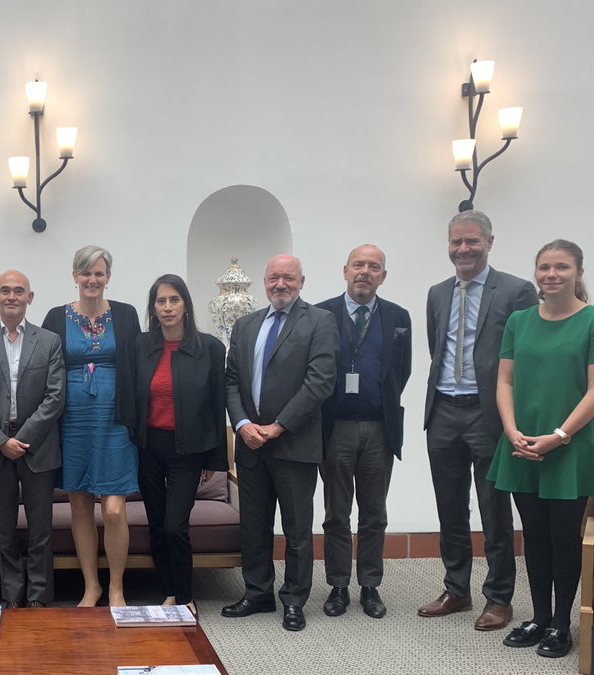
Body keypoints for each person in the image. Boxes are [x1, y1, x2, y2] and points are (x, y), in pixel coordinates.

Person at [420, 210, 537, 631]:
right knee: (450, 508)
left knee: (494, 510)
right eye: (456, 242)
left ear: (490, 242)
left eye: (472, 241)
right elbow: (439, 349)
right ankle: (457, 590)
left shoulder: (517, 291)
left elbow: (526, 358)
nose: (463, 249)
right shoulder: (436, 293)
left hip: (489, 415)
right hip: (444, 412)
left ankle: (499, 597)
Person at [222, 254, 338, 632]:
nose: (280, 285)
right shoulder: (245, 324)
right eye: (273, 278)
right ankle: (257, 594)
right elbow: (231, 381)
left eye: (288, 278)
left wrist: (278, 426)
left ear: (301, 282)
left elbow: (319, 382)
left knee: (297, 529)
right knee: (253, 526)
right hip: (250, 444)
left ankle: (294, 599)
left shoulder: (320, 321)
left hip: (295, 444)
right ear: (264, 281)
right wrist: (241, 424)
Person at [490, 239, 594, 658]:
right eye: (544, 267)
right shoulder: (519, 320)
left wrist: (559, 435)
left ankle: (561, 625)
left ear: (578, 273)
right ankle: (538, 617)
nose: (552, 274)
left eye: (562, 267)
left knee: (564, 536)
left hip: (569, 446)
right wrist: (513, 431)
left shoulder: (590, 321)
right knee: (533, 535)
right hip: (521, 444)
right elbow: (505, 382)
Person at [42, 245, 142, 608]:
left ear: (108, 278)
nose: (92, 280)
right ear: (74, 277)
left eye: (99, 273)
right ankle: (91, 587)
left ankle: (116, 586)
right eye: (85, 273)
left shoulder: (127, 315)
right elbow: (37, 354)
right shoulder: (56, 316)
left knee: (114, 508)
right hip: (71, 420)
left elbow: (143, 359)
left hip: (115, 419)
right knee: (80, 505)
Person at [315, 245, 411, 620]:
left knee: (374, 513)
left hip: (378, 428)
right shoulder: (321, 313)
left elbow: (400, 373)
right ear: (345, 270)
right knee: (336, 513)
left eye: (374, 267)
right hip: (334, 427)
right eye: (359, 265)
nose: (365, 272)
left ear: (383, 276)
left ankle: (370, 585)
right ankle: (338, 585)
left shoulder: (398, 316)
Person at [0, 270, 66, 609]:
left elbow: (55, 397)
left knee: (41, 531)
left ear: (30, 297)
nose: (11, 296)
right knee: (4, 532)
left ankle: (38, 599)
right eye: (5, 291)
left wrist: (21, 439)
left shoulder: (49, 341)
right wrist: (0, 441)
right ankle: (12, 598)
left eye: (18, 291)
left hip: (37, 447)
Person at [126, 274, 227, 613]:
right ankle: (169, 591)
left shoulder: (210, 348)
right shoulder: (140, 345)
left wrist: (215, 462)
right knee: (156, 525)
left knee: (175, 526)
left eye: (174, 300)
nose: (167, 307)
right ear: (153, 309)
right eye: (160, 301)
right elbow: (129, 397)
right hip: (148, 450)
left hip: (188, 451)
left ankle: (185, 596)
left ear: (186, 305)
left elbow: (217, 406)